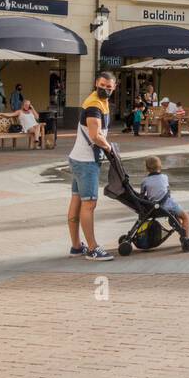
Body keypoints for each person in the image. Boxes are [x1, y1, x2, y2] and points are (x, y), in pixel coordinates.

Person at [66, 71, 117, 261]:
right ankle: (93, 249)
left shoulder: (98, 101)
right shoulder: (94, 105)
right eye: (102, 85)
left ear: (114, 87)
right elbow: (96, 135)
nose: (105, 89)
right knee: (89, 204)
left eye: (109, 87)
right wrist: (109, 148)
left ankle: (76, 246)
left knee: (77, 201)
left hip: (78, 158)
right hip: (86, 162)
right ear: (97, 83)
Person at [141, 155, 189, 232]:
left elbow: (142, 196)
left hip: (154, 208)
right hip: (168, 205)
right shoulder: (164, 177)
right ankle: (186, 237)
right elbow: (167, 193)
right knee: (185, 217)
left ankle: (180, 228)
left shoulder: (145, 181)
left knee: (173, 214)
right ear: (160, 166)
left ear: (147, 168)